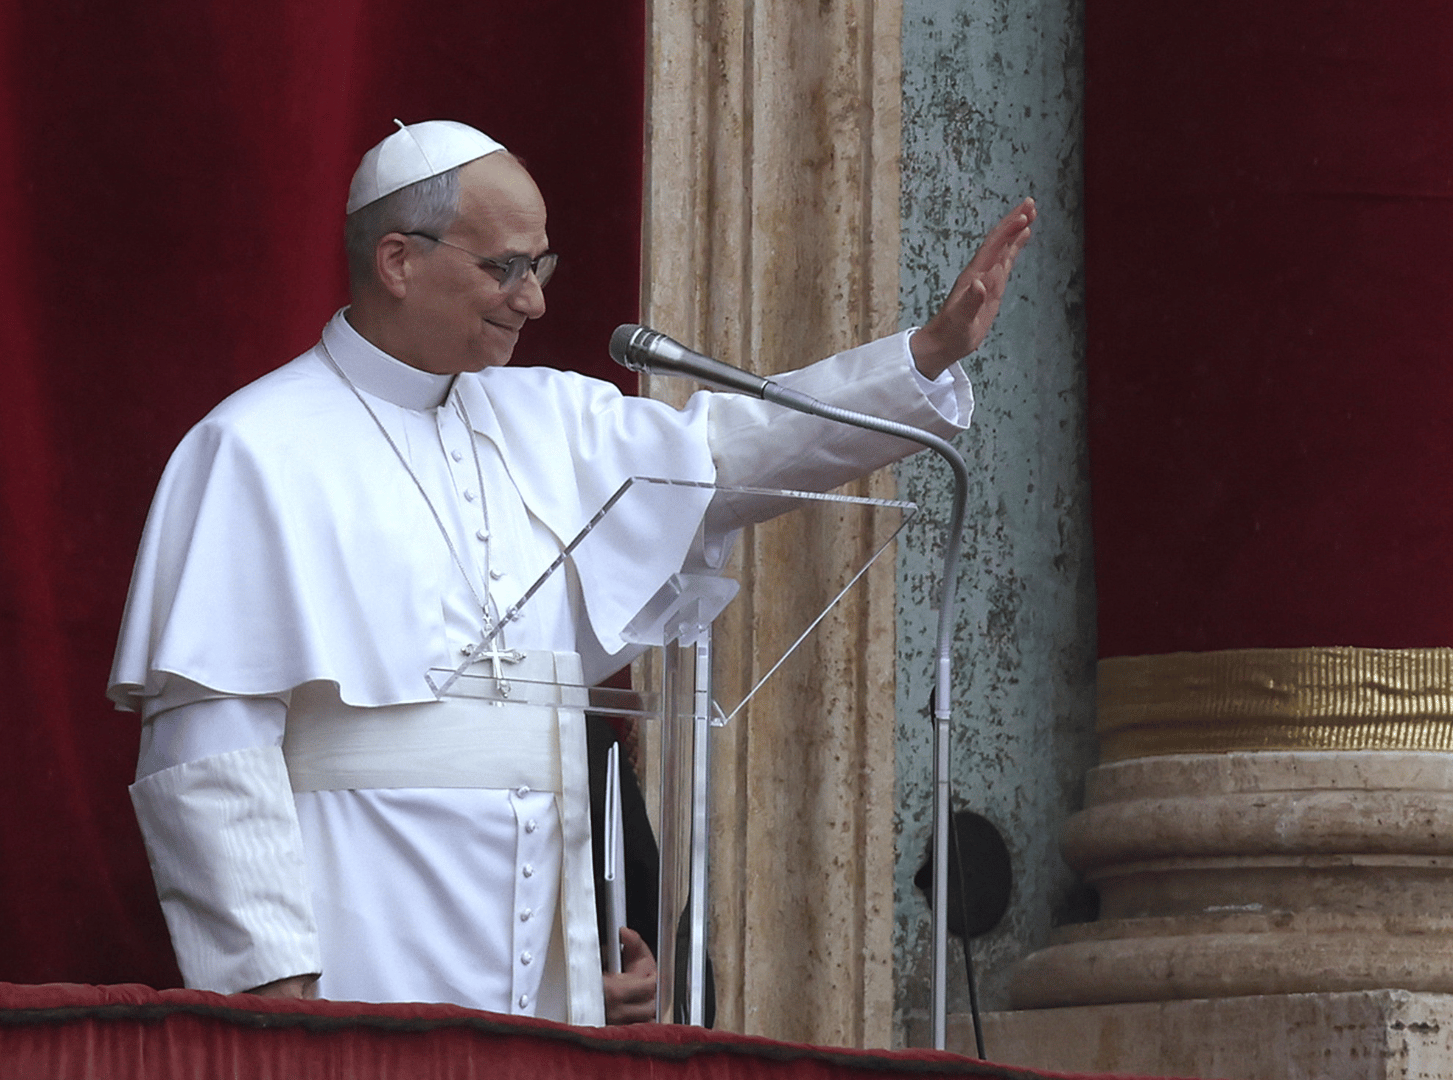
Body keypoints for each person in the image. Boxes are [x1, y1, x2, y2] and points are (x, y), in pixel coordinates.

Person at [109, 119, 1034, 1026]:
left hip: (544, 951)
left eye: (539, 267)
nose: (533, 300)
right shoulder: (252, 448)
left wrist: (924, 355)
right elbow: (209, 748)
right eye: (503, 268)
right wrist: (273, 987)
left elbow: (731, 453)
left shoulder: (549, 419)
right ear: (397, 261)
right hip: (362, 927)